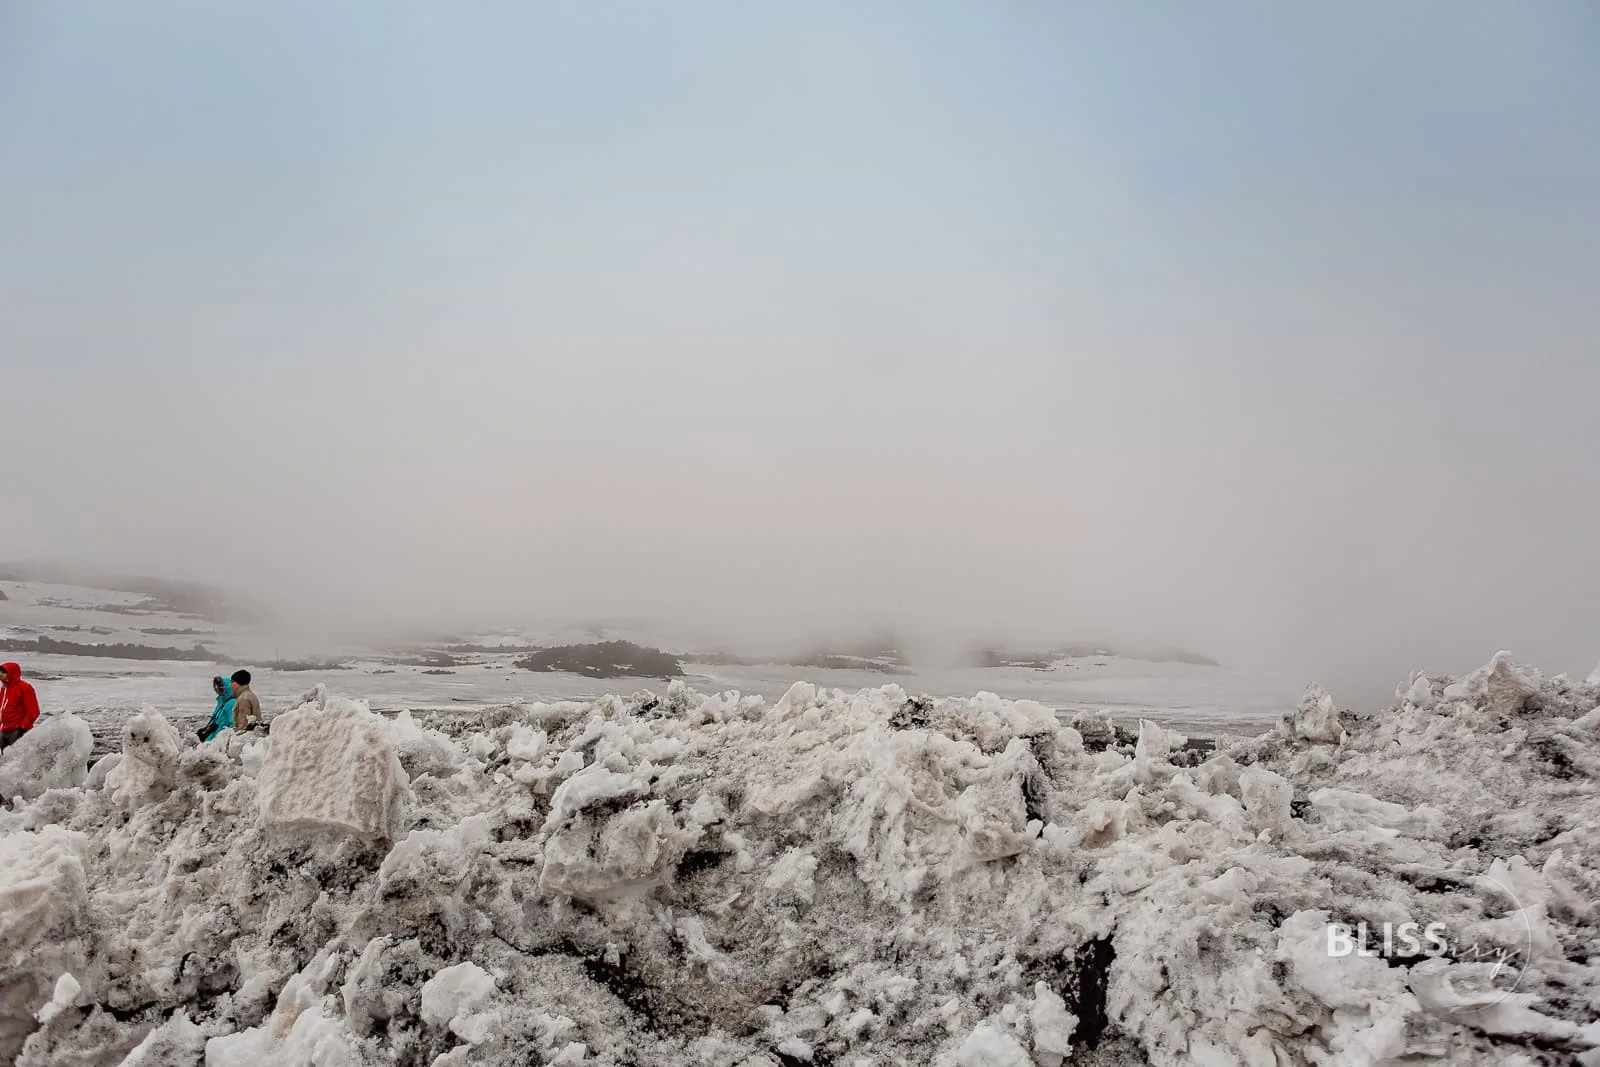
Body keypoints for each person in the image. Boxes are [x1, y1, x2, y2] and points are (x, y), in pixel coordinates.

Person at [0, 662, 41, 751]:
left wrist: (22, 728)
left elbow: (33, 711)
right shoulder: (4, 688)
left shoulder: (24, 687)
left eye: (3, 672)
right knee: (5, 762)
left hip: (18, 731)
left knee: (17, 759)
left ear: (11, 673)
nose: (0, 674)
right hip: (4, 730)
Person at [199, 675, 236, 742]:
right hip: (213, 737)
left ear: (227, 688)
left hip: (218, 740)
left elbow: (233, 725)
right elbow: (217, 719)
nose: (217, 690)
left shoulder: (231, 703)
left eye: (220, 688)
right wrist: (207, 729)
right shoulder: (222, 701)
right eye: (216, 687)